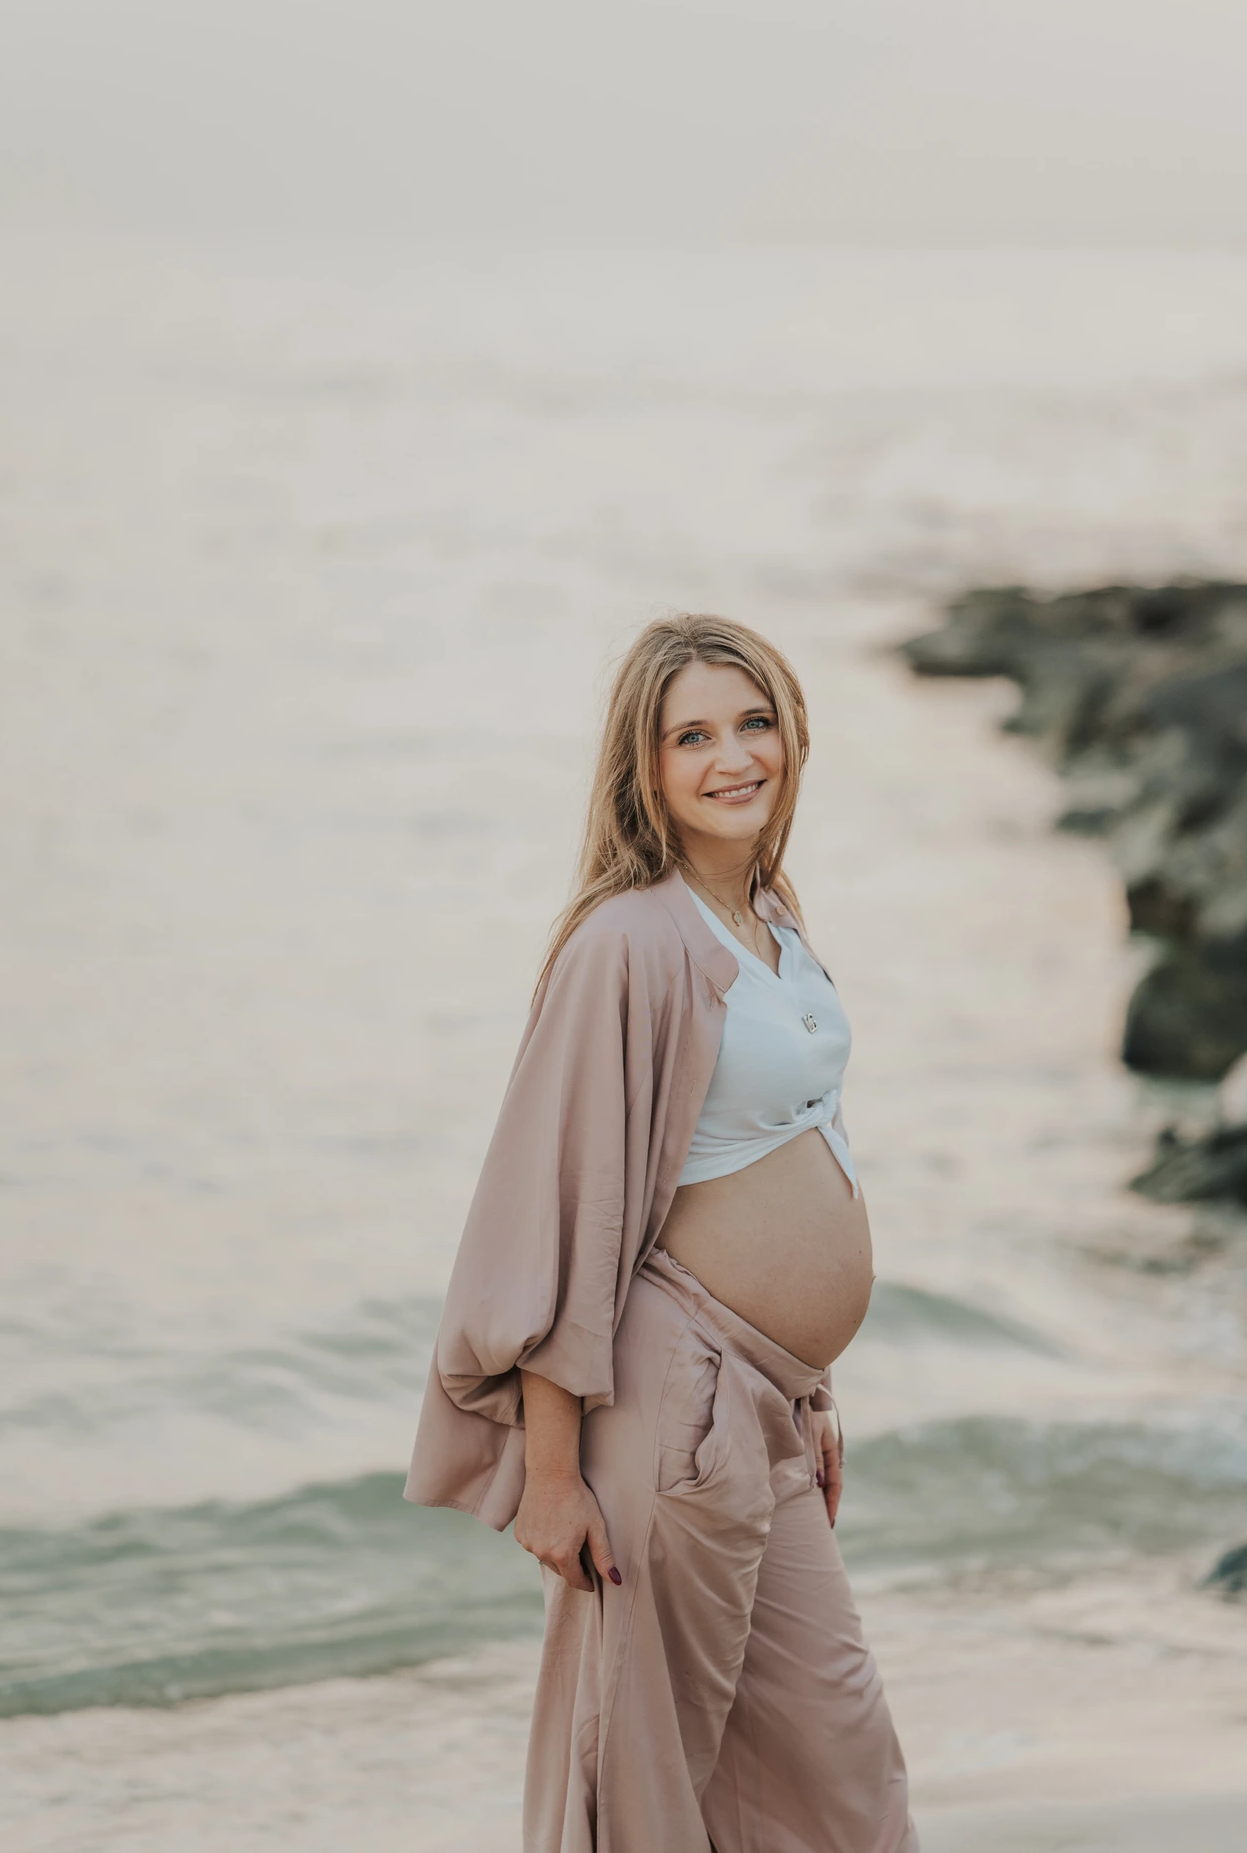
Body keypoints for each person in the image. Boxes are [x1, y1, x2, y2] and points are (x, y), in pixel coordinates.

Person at [406, 612, 918, 1853]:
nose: (731, 756)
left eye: (751, 723)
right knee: (639, 1776)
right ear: (644, 770)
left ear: (791, 727)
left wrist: (812, 1388)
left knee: (833, 1763)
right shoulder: (627, 941)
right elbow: (556, 1215)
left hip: (766, 1404)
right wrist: (547, 1473)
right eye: (690, 736)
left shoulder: (773, 920)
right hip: (669, 1402)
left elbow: (800, 1146)